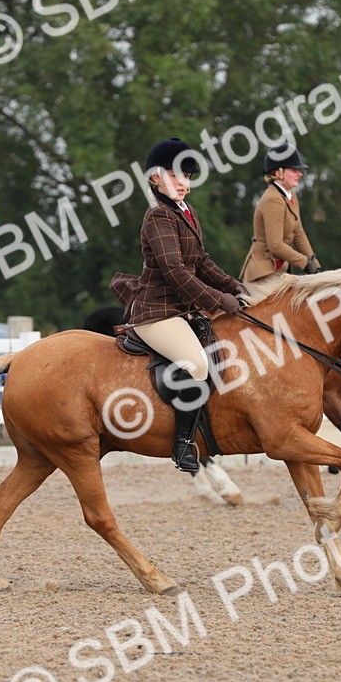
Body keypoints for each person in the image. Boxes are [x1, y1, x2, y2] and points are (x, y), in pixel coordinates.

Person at [109, 138, 247, 473]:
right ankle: (183, 444)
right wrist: (220, 300)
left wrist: (235, 286)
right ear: (155, 179)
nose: (183, 183)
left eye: (187, 175)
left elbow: (201, 262)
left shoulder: (185, 212)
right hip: (156, 312)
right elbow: (174, 271)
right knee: (198, 365)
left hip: (181, 311)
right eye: (174, 176)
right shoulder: (158, 216)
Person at [238, 143, 321, 284]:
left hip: (280, 271)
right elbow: (275, 245)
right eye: (294, 170)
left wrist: (316, 266)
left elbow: (299, 234)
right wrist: (304, 263)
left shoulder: (291, 195)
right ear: (278, 173)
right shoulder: (273, 200)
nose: (300, 174)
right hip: (263, 274)